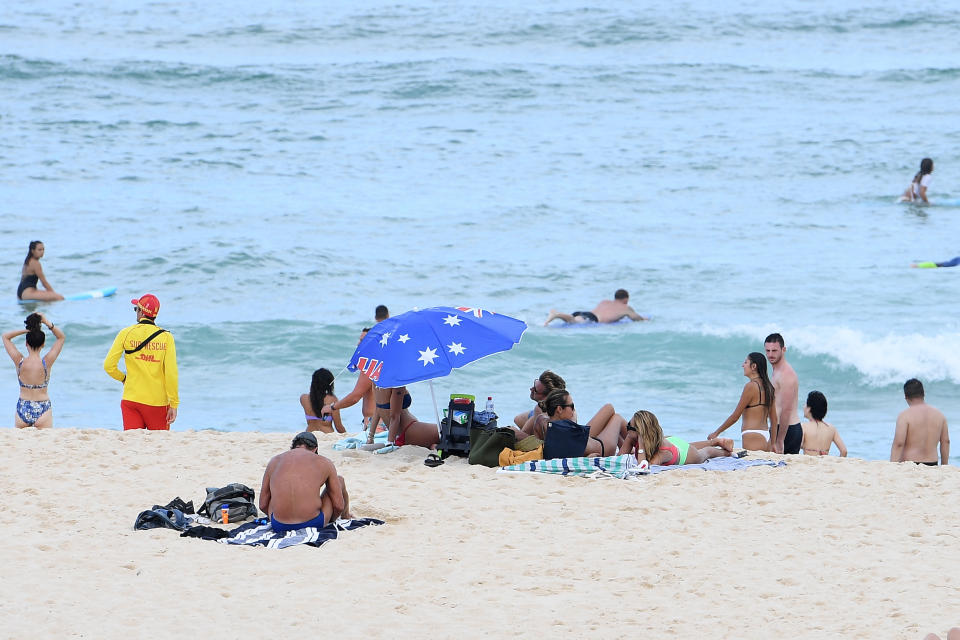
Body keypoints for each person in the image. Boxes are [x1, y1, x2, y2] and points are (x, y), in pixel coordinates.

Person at [103, 294, 179, 430]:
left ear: (142, 312)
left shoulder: (125, 333)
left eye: (136, 309)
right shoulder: (166, 337)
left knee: (132, 446)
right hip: (157, 404)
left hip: (131, 400)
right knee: (159, 447)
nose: (136, 312)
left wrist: (124, 378)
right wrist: (174, 403)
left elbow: (109, 366)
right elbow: (171, 374)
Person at [259, 431, 352, 532]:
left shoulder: (274, 461)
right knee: (340, 480)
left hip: (279, 525)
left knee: (274, 495)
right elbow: (338, 506)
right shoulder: (324, 462)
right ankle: (346, 516)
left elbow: (263, 505)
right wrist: (330, 519)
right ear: (315, 449)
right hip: (313, 523)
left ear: (293, 447)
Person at [2, 313, 65, 428]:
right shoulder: (47, 362)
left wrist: (27, 331)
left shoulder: (19, 361)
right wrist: (47, 323)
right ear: (43, 344)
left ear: (26, 343)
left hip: (23, 406)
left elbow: (5, 336)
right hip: (43, 407)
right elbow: (61, 337)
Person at [708, 352, 778, 452]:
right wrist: (773, 443)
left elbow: (735, 416)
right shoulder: (769, 388)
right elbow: (774, 420)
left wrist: (716, 433)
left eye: (745, 362)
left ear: (753, 366)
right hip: (766, 437)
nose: (743, 365)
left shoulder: (751, 386)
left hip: (752, 436)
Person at [624, 410, 734, 465]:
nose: (626, 427)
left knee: (706, 452)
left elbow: (643, 467)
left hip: (687, 454)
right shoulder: (632, 437)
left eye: (629, 426)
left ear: (640, 432)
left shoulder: (662, 453)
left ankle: (726, 452)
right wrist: (631, 440)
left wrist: (641, 444)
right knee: (687, 444)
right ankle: (715, 441)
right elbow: (620, 458)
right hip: (671, 441)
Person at [540, 389, 624, 457]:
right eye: (571, 406)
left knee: (609, 412)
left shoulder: (542, 421)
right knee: (616, 417)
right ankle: (632, 446)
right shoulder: (566, 430)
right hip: (603, 448)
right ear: (559, 409)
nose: (573, 410)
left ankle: (627, 448)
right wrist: (587, 459)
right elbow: (569, 453)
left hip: (585, 440)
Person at [890, 378, 949, 466]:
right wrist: (944, 465)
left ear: (906, 396)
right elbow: (946, 441)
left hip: (910, 464)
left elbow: (899, 443)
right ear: (923, 394)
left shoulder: (905, 416)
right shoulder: (939, 415)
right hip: (932, 463)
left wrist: (892, 466)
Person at [765, 333, 801, 454]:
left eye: (774, 350)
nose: (770, 354)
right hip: (779, 428)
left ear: (783, 349)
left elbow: (786, 409)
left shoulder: (786, 374)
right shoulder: (777, 370)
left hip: (788, 430)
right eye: (768, 350)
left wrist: (780, 440)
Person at [544, 289, 648, 325]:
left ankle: (558, 315)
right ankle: (556, 314)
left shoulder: (605, 302)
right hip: (592, 319)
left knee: (573, 319)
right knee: (573, 321)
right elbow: (635, 318)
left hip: (585, 313)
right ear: (626, 299)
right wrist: (644, 319)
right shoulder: (625, 308)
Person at [799, 391, 847, 456]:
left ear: (809, 409)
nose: (804, 407)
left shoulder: (804, 427)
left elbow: (797, 447)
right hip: (825, 463)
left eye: (806, 404)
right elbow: (844, 451)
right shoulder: (831, 428)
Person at [300, 368, 346, 434]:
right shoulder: (332, 400)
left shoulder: (303, 398)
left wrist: (313, 389)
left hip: (310, 434)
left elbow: (315, 399)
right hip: (327, 435)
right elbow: (338, 427)